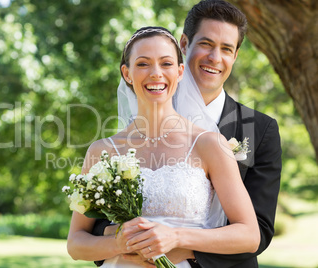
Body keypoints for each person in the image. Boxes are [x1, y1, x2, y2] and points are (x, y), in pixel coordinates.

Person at [92, 1, 282, 267]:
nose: (215, 58)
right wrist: (122, 240)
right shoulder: (147, 108)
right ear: (184, 44)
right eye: (206, 44)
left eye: (226, 48)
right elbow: (103, 212)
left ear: (235, 56)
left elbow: (258, 230)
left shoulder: (259, 129)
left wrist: (182, 248)